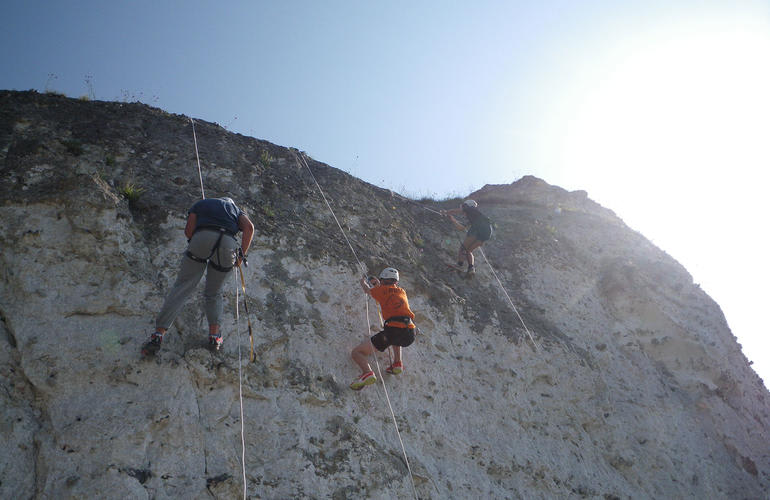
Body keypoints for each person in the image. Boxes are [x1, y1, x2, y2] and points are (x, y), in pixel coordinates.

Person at [141, 197, 254, 356]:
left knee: (183, 286)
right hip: (228, 244)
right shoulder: (235, 210)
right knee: (214, 292)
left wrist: (198, 244)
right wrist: (241, 255)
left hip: (202, 237)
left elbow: (188, 231)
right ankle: (215, 337)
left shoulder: (201, 204)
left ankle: (158, 335)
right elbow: (249, 227)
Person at [350, 267, 416, 390]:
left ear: (383, 280)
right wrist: (380, 284)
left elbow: (368, 291)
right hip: (410, 332)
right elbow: (388, 291)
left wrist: (363, 282)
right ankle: (397, 363)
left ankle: (367, 373)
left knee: (356, 352)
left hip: (393, 331)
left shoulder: (381, 290)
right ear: (396, 281)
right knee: (397, 340)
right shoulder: (402, 291)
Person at [441, 199, 493, 275]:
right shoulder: (474, 217)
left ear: (467, 205)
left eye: (464, 206)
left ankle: (459, 265)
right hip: (487, 232)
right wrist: (453, 220)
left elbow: (459, 210)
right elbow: (461, 228)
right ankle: (471, 268)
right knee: (469, 250)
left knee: (463, 248)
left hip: (478, 228)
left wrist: (446, 212)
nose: (464, 212)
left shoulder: (471, 209)